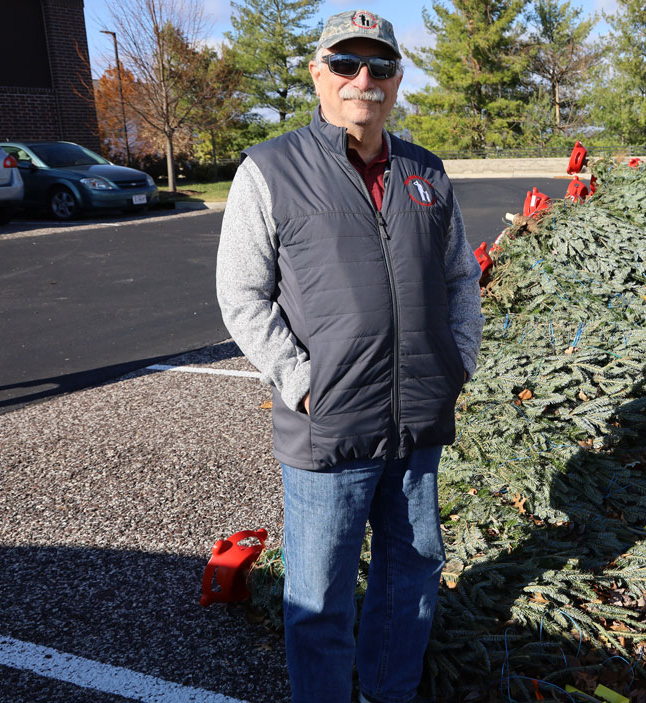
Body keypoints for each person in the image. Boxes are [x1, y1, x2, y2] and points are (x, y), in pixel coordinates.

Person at [215, 9, 483, 703]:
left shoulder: (425, 171)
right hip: (328, 428)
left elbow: (459, 277)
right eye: (346, 64)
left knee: (412, 573)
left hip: (419, 419)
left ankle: (387, 693)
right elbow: (242, 295)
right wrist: (303, 382)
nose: (363, 80)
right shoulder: (271, 169)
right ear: (319, 73)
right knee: (321, 596)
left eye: (380, 67)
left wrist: (460, 360)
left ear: (396, 80)